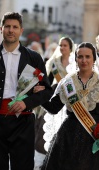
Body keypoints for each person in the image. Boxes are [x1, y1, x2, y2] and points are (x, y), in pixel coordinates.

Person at [0, 12, 52, 170]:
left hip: (23, 121)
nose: (10, 30)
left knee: (23, 166)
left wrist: (26, 103)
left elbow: (46, 91)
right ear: (1, 29)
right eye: (7, 26)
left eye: (15, 27)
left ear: (21, 30)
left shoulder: (34, 58)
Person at [40, 42, 99, 170]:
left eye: (88, 57)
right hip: (68, 138)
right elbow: (54, 108)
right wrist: (39, 95)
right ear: (76, 59)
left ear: (94, 59)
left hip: (93, 137)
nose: (84, 60)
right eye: (80, 57)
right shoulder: (67, 83)